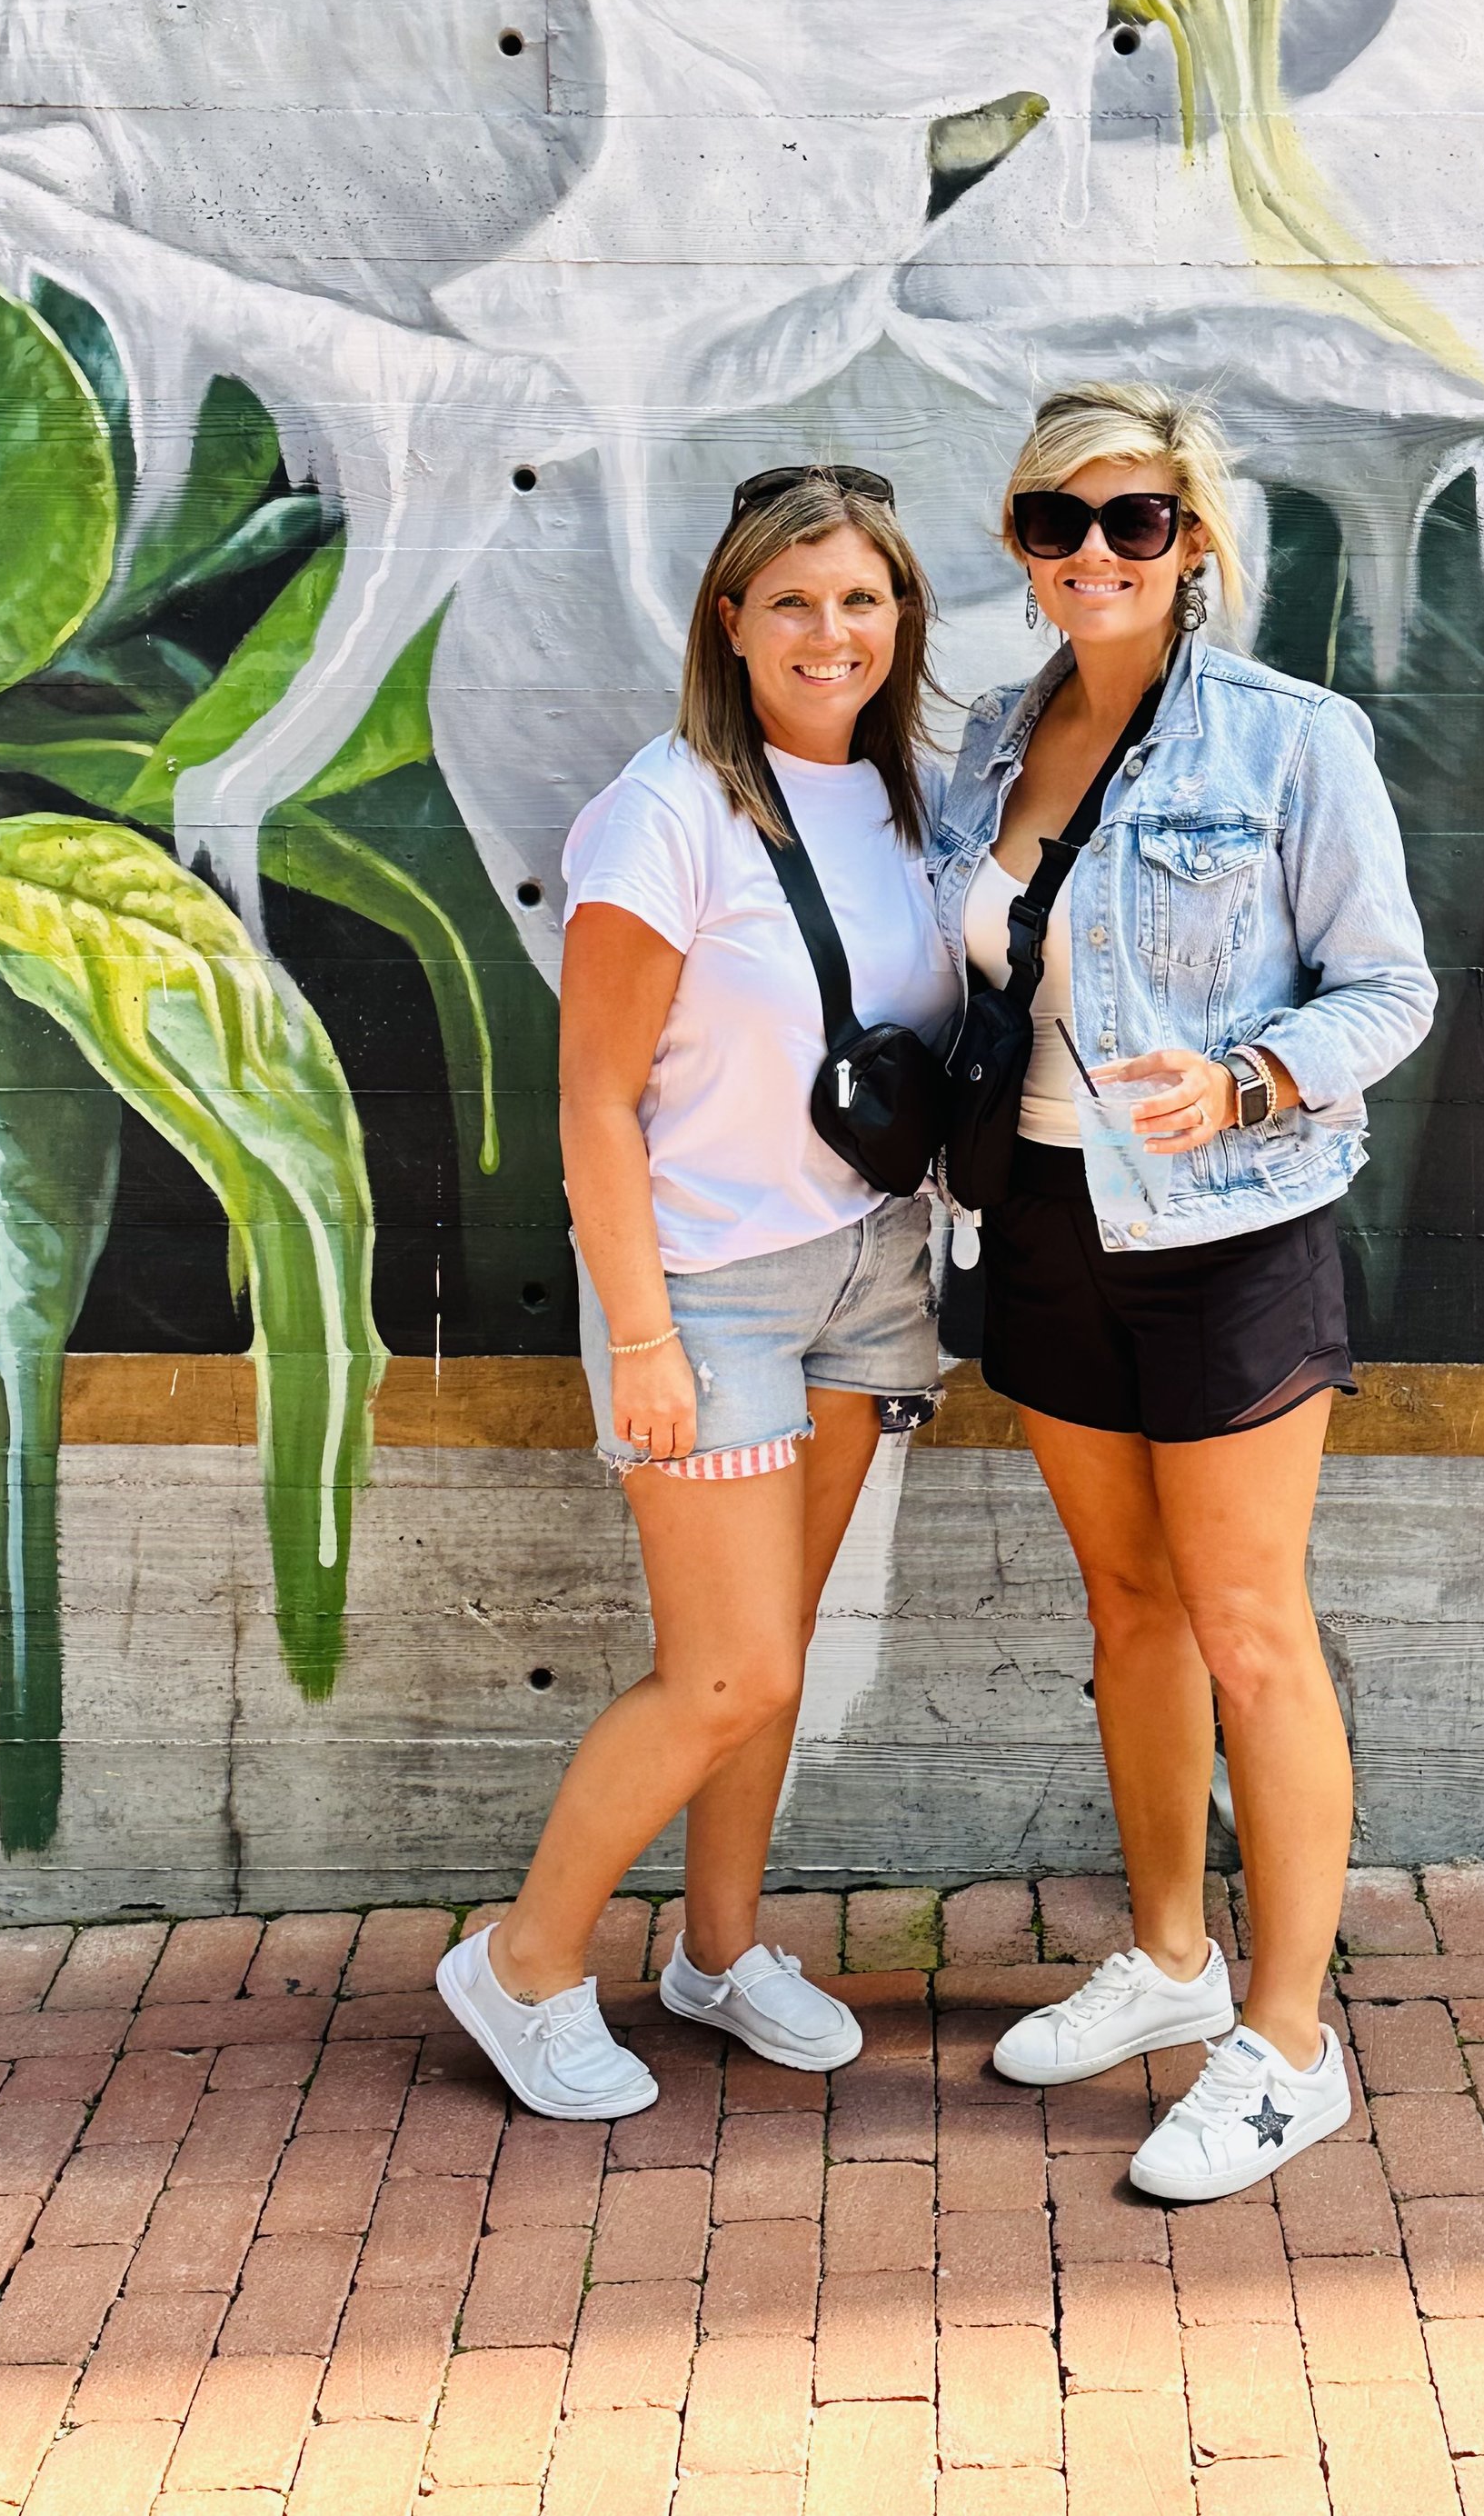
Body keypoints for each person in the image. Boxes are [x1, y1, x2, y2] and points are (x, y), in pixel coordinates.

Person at [931, 382, 1437, 2205]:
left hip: (1224, 1226)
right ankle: (1165, 1956)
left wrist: (1239, 1080)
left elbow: (1385, 989)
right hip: (1044, 1219)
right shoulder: (992, 736)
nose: (1092, 552)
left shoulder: (1287, 739)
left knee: (1246, 1622)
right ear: (1017, 541)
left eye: (1131, 518)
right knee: (1125, 1599)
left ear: (1191, 535)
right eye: (1053, 520)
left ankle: (1287, 2044)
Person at [438, 464, 959, 2120]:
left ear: (901, 620)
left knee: (776, 1650)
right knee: (724, 1667)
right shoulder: (662, 811)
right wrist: (644, 1331)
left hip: (867, 1273)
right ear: (729, 619)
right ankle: (519, 1963)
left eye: (862, 600)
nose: (831, 632)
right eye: (793, 600)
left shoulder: (907, 801)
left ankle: (719, 1952)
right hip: (710, 1289)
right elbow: (593, 1097)